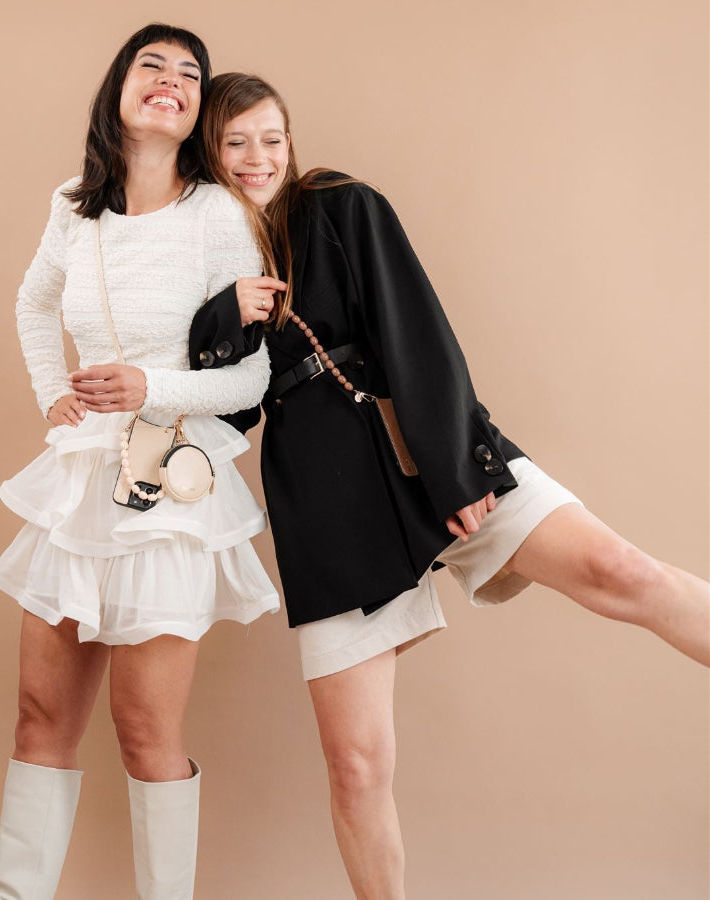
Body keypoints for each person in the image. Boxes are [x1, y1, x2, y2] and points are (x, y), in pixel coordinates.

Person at [188, 72, 710, 900]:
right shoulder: (205, 258)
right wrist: (224, 314)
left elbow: (418, 331)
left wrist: (454, 467)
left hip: (428, 448)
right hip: (326, 499)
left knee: (626, 575)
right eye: (236, 142)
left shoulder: (341, 206)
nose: (259, 159)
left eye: (273, 138)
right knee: (356, 767)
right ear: (208, 152)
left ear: (292, 141)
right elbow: (222, 410)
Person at [0, 31, 279, 900]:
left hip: (170, 486)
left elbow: (253, 374)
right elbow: (35, 302)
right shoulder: (74, 203)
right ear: (119, 88)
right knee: (41, 718)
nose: (172, 81)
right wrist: (54, 391)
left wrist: (146, 382)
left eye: (190, 73)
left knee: (144, 730)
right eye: (153, 65)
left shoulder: (219, 216)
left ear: (196, 111)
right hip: (81, 482)